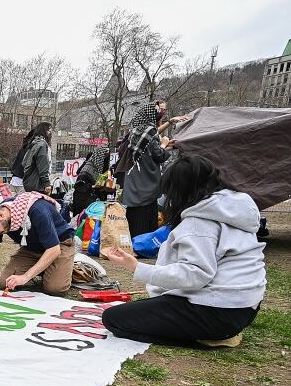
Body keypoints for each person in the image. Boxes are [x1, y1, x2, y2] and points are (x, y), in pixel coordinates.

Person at [102, 155, 266, 348]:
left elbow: (195, 274)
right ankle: (215, 332)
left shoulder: (199, 222)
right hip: (246, 306)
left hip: (218, 311)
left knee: (113, 319)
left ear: (179, 190)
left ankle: (209, 338)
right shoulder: (232, 210)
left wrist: (136, 267)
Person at [0, 191, 75, 297]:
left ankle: (66, 267)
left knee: (55, 289)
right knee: (6, 282)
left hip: (59, 244)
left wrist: (25, 277)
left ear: (1, 215)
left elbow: (53, 249)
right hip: (32, 248)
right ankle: (45, 268)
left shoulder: (37, 210)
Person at [122, 101, 190, 237]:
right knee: (146, 214)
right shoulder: (150, 131)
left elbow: (149, 150)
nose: (162, 115)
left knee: (134, 215)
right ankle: (144, 243)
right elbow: (158, 155)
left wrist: (166, 145)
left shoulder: (136, 131)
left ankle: (133, 240)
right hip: (146, 182)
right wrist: (164, 144)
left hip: (135, 180)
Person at [71, 146, 110, 216]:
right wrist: (93, 186)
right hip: (83, 203)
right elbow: (79, 186)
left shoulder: (99, 170)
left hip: (94, 205)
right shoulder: (88, 168)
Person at [21, 122, 53, 194]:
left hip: (29, 182)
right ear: (44, 131)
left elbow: (24, 162)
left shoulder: (33, 143)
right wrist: (46, 183)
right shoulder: (42, 145)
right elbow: (42, 165)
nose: (50, 133)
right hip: (37, 184)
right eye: (49, 130)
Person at [8, 130, 35, 194]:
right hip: (22, 181)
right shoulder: (32, 149)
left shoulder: (24, 147)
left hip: (14, 179)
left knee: (12, 202)